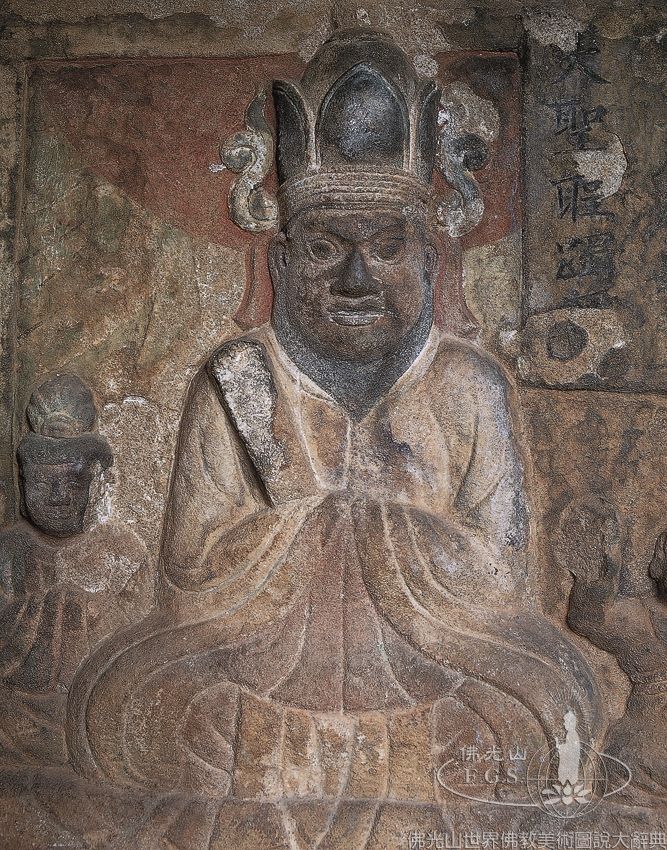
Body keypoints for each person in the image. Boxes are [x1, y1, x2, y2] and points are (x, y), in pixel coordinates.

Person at [66, 28, 600, 844]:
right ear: (280, 265)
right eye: (323, 248)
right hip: (258, 687)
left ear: (430, 264)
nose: (355, 278)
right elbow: (189, 569)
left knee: (549, 718)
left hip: (436, 684)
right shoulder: (238, 379)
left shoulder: (469, 385)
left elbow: (500, 578)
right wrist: (320, 532)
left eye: (386, 249)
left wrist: (371, 534)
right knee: (135, 714)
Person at [0, 373, 150, 767]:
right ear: (23, 481)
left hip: (95, 707)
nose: (56, 497)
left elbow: (142, 639)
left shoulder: (122, 552)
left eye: (72, 482)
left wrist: (91, 613)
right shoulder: (10, 551)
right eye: (42, 482)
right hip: (18, 708)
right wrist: (47, 609)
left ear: (97, 484)